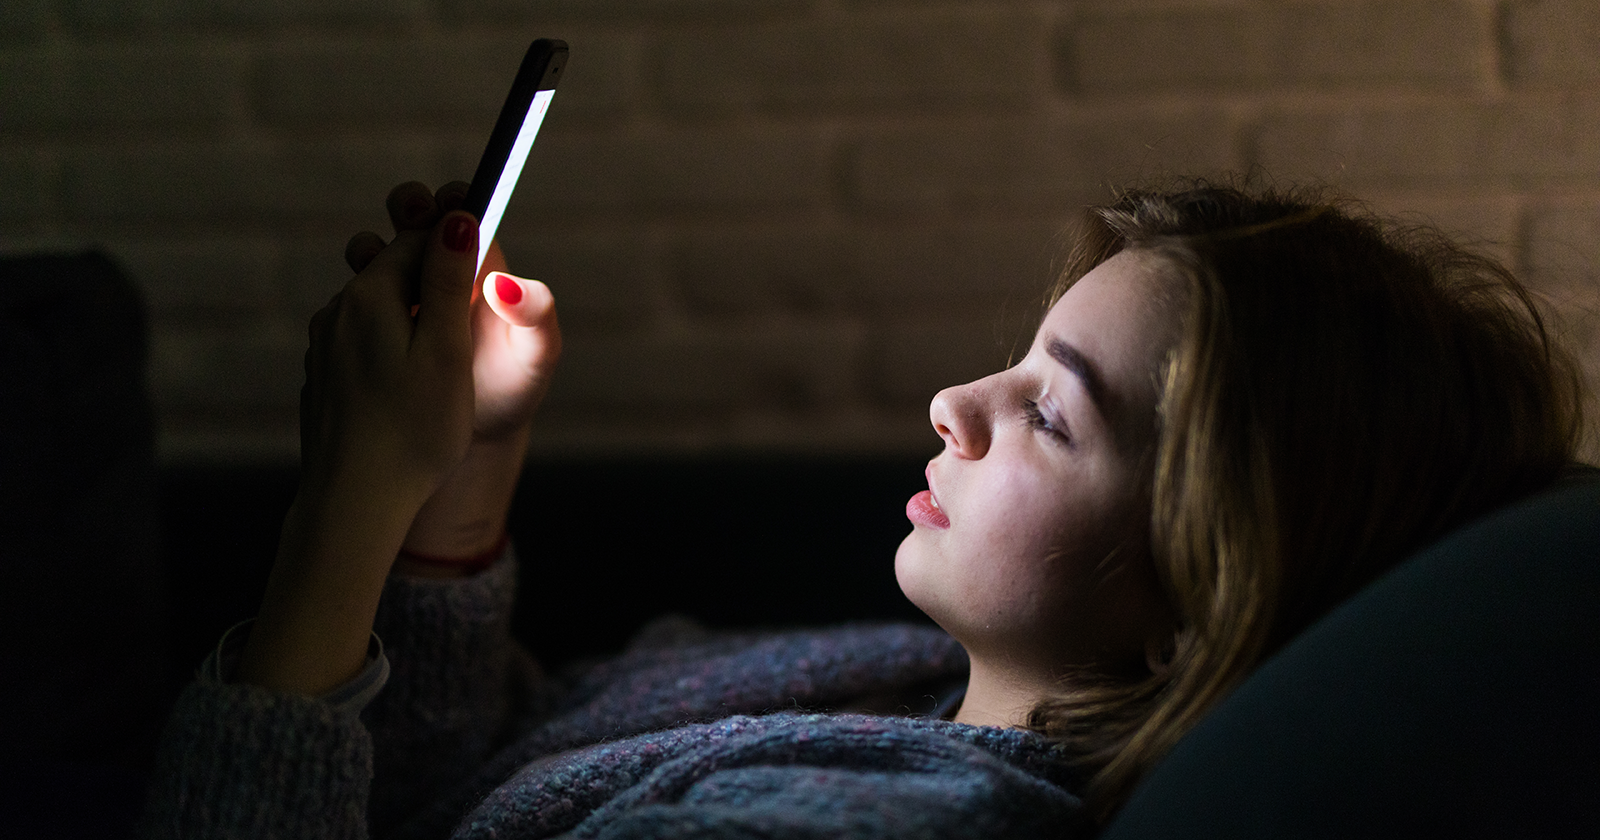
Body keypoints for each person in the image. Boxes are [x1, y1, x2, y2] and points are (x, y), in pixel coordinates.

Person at [140, 178, 1587, 839]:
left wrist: (343, 505)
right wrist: (466, 471)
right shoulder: (900, 682)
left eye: (1052, 410)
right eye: (1018, 359)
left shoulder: (887, 818)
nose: (956, 401)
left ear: (1204, 584)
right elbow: (454, 783)